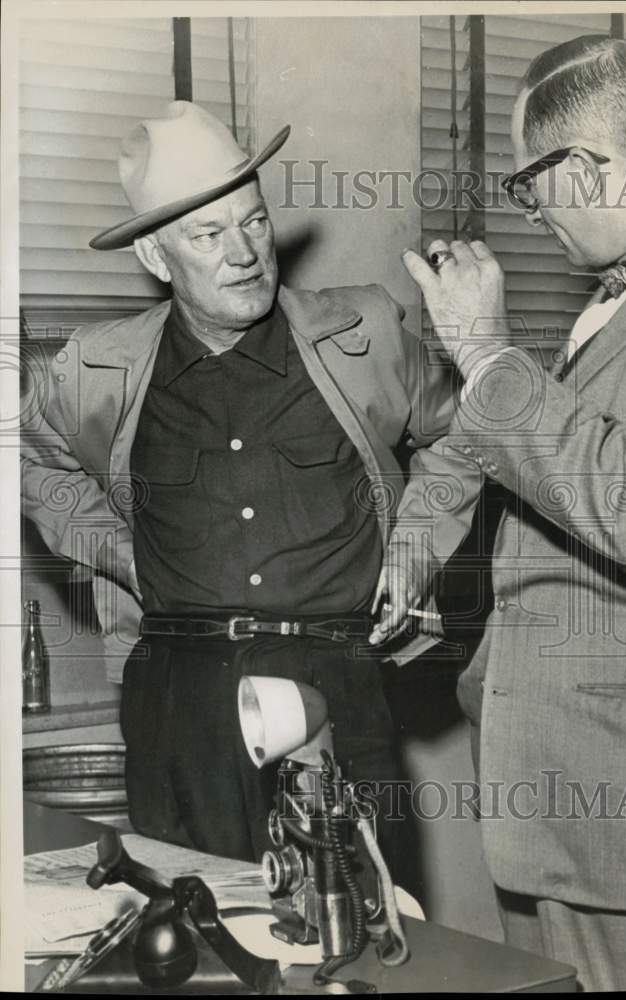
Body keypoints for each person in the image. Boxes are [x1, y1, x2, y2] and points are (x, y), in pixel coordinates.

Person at [21, 101, 480, 868]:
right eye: (208, 234)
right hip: (180, 701)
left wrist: (415, 549)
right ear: (157, 260)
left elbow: (461, 431)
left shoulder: (361, 332)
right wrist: (122, 557)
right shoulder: (96, 367)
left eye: (255, 222)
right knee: (197, 945)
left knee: (358, 938)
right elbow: (29, 456)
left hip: (335, 684)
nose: (244, 253)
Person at [400, 35, 626, 991]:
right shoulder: (624, 298)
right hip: (569, 815)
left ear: (585, 168)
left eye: (527, 186)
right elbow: (542, 473)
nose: (529, 213)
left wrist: (489, 353)